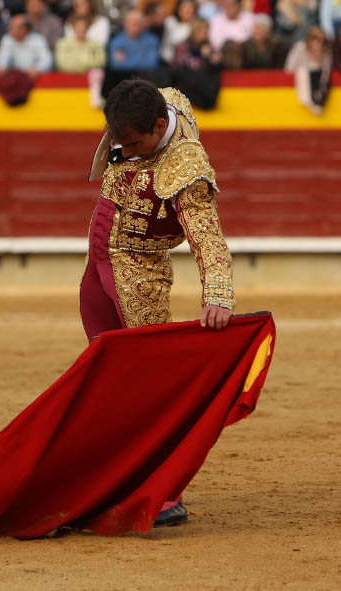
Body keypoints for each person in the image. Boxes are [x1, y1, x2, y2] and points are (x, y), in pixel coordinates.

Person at [83, 80, 234, 526]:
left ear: (159, 126)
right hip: (100, 262)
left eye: (133, 144)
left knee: (149, 385)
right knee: (110, 376)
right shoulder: (159, 101)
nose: (124, 153)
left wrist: (218, 293)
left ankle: (166, 493)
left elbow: (208, 237)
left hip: (139, 272)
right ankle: (120, 477)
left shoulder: (186, 165)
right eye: (118, 141)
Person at [284, 25, 332, 115]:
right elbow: (288, 69)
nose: (319, 43)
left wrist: (318, 59)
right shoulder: (299, 48)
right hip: (295, 88)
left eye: (322, 41)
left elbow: (326, 74)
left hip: (317, 90)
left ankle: (318, 102)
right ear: (309, 39)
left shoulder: (326, 53)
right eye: (316, 39)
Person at [208, 0, 254, 68]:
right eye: (226, 5)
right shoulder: (216, 20)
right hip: (223, 53)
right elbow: (215, 41)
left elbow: (251, 37)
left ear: (239, 5)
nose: (228, 7)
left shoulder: (249, 18)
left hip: (244, 52)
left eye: (232, 4)